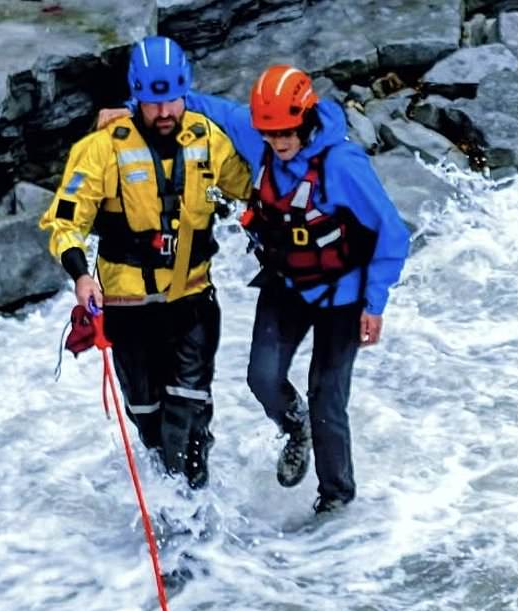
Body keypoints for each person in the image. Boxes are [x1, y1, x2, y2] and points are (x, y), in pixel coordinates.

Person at [98, 65, 410, 514]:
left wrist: (375, 303)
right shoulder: (257, 133)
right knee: (261, 378)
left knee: (328, 396)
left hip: (343, 296)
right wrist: (129, 111)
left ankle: (336, 499)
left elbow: (392, 234)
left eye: (286, 133)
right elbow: (201, 106)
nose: (277, 144)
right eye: (269, 134)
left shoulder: (343, 166)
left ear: (305, 120)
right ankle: (293, 424)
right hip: (285, 285)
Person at [40, 36, 251, 490]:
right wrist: (80, 275)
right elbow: (64, 219)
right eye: (152, 103)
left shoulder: (207, 139)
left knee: (187, 412)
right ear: (136, 95)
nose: (163, 113)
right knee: (150, 421)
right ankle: (174, 494)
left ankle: (194, 520)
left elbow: (251, 190)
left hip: (191, 300)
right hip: (128, 305)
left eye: (171, 100)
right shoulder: (102, 149)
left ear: (185, 93)